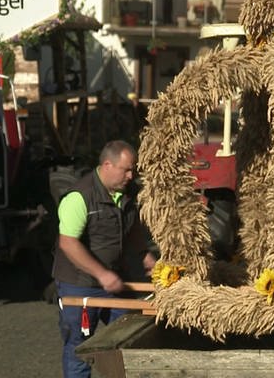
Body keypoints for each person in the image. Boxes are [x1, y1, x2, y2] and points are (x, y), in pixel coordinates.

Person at [52, 140, 156, 378]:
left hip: (116, 280)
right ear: (107, 165)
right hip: (80, 285)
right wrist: (101, 274)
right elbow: (68, 243)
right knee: (80, 348)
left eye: (133, 170)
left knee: (130, 338)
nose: (131, 175)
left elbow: (132, 232)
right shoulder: (79, 197)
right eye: (126, 169)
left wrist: (144, 256)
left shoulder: (129, 193)